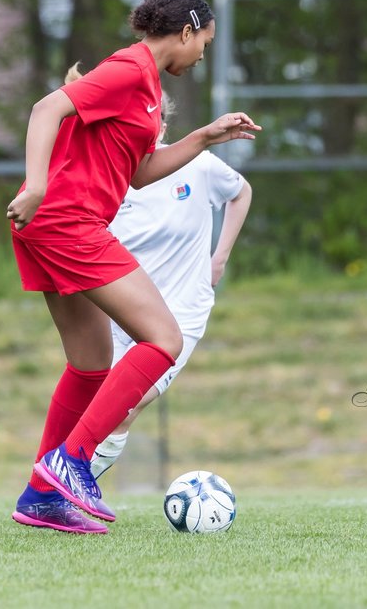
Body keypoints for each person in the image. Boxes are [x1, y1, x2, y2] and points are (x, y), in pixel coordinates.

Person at [7, 0, 260, 534]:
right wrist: (34, 184)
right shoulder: (129, 69)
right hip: (67, 220)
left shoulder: (144, 84)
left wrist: (202, 137)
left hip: (55, 225)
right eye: (205, 43)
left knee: (92, 365)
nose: (202, 56)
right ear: (187, 30)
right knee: (163, 339)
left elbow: (138, 173)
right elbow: (46, 108)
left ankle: (41, 496)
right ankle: (70, 465)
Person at [86, 92, 252, 479]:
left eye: (155, 120)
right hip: (122, 311)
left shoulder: (198, 166)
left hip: (180, 313)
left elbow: (241, 192)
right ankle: (65, 481)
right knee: (101, 408)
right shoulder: (109, 176)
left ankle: (71, 481)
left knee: (126, 404)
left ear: (161, 124)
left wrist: (219, 257)